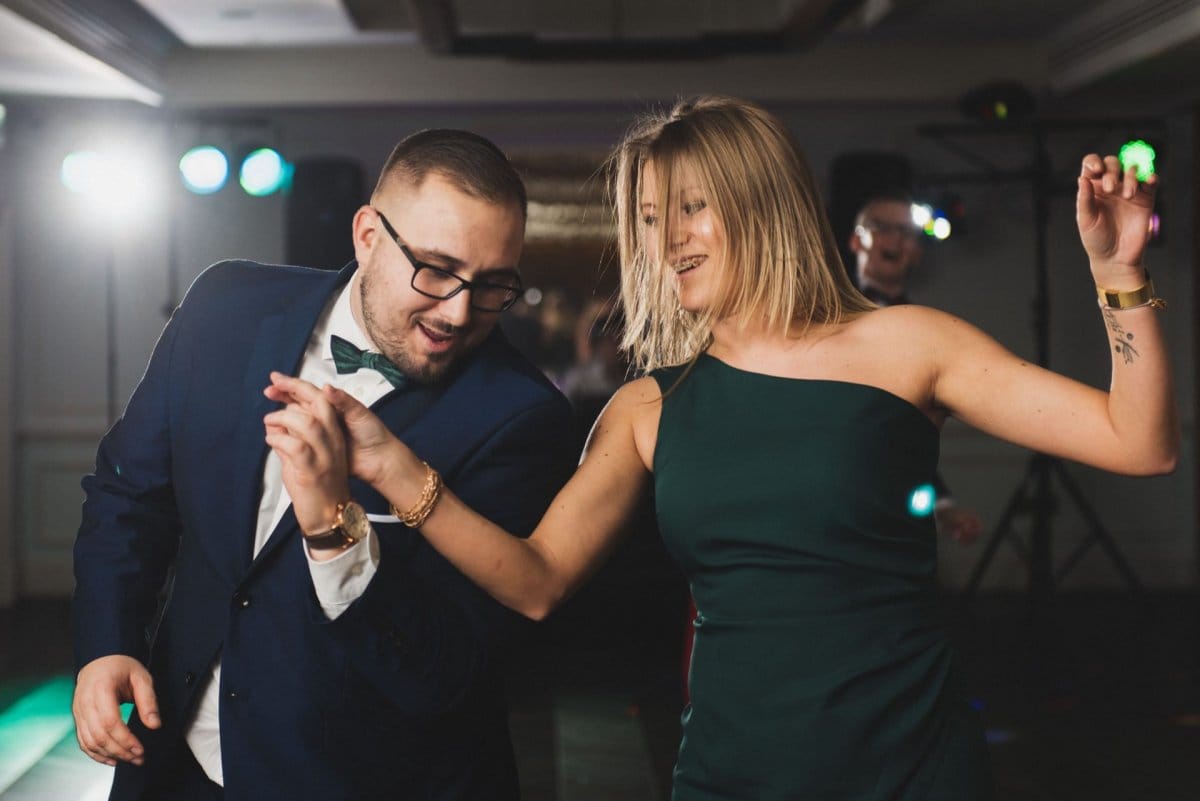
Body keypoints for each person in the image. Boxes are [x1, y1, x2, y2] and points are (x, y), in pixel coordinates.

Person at [265, 97, 1178, 800]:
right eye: (655, 221)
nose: (669, 242)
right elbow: (536, 577)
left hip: (908, 762)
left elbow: (1137, 441)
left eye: (693, 209)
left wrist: (1118, 275)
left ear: (762, 202)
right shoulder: (649, 406)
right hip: (729, 772)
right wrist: (394, 467)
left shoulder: (910, 345)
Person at [71, 129, 575, 801]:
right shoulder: (225, 307)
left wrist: (335, 532)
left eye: (492, 286)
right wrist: (108, 642)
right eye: (436, 268)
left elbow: (452, 671)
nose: (458, 312)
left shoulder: (520, 417)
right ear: (367, 234)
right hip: (173, 764)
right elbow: (128, 495)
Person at [849, 191, 983, 543]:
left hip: (885, 519)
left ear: (918, 251)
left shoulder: (925, 331)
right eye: (882, 227)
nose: (895, 238)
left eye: (906, 232)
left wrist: (943, 506)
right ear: (855, 240)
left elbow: (906, 436)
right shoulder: (817, 312)